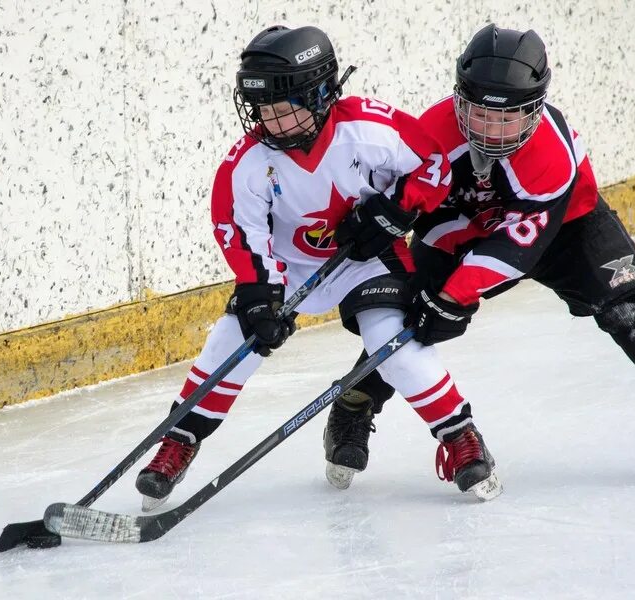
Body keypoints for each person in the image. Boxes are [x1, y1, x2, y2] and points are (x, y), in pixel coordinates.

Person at [340, 24, 635, 482]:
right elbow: (399, 195)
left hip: (567, 227)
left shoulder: (552, 153)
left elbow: (516, 246)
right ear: (459, 99)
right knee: (408, 317)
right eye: (479, 114)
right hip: (460, 230)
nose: (492, 131)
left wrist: (453, 297)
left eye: (506, 119)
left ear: (534, 109)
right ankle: (353, 404)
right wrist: (383, 214)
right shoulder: (430, 132)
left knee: (630, 306)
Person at [135, 24, 502, 510]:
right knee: (231, 341)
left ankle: (459, 436)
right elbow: (239, 230)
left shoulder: (370, 129)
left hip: (366, 261)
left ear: (323, 93)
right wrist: (259, 292)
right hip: (286, 267)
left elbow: (431, 164)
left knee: (390, 341)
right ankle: (179, 441)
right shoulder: (247, 163)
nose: (271, 123)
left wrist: (395, 210)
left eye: (283, 108)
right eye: (262, 110)